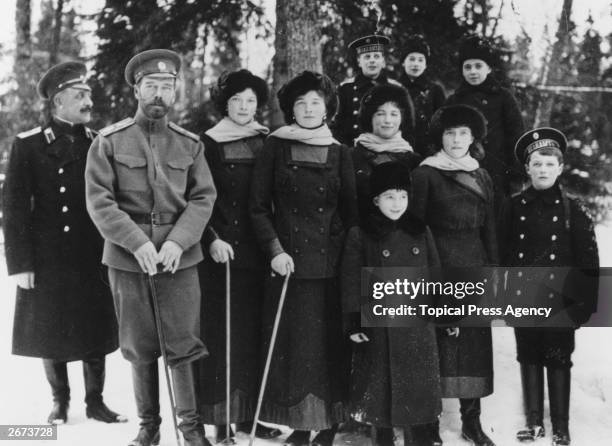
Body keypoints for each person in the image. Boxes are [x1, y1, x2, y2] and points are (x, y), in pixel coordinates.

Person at [85, 49, 217, 446]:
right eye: (151, 86)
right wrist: (136, 243)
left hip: (180, 260)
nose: (158, 93)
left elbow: (203, 198)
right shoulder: (109, 142)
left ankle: (191, 430)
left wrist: (178, 241)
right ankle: (149, 427)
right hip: (128, 260)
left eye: (166, 86)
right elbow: (100, 201)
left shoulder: (189, 145)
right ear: (137, 91)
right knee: (140, 346)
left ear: (175, 91)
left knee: (183, 345)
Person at [2, 61, 125, 426]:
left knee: (95, 328)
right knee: (49, 329)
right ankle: (59, 402)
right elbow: (14, 209)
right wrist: (21, 263)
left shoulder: (99, 142)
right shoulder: (28, 145)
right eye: (80, 95)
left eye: (88, 94)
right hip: (47, 257)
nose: (89, 100)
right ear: (58, 102)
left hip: (91, 255)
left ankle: (96, 402)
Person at [249, 70, 358, 446]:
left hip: (329, 267)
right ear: (290, 109)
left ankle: (327, 424)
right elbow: (258, 208)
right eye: (301, 103)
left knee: (328, 345)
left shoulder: (340, 151)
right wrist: (275, 250)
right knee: (295, 347)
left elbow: (350, 212)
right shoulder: (275, 146)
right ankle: (298, 424)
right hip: (287, 266)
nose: (309, 109)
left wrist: (340, 253)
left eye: (315, 102)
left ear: (327, 107)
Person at [196, 69, 281, 442]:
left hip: (259, 251)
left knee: (253, 334)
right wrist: (211, 238)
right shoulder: (210, 142)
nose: (244, 107)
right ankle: (221, 421)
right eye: (236, 100)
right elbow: (199, 197)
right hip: (222, 252)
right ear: (225, 104)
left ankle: (250, 416)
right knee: (223, 335)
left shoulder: (267, 140)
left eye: (250, 100)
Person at [500, 128, 599, 446]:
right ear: (527, 168)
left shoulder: (574, 209)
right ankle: (533, 423)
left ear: (560, 168)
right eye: (537, 164)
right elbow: (503, 254)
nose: (543, 170)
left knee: (558, 358)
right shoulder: (514, 206)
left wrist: (585, 304)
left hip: (560, 298)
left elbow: (589, 262)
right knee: (527, 355)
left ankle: (561, 426)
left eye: (549, 164)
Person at [411, 104, 498, 446]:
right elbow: (416, 227)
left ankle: (471, 423)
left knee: (473, 346)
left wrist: (492, 269)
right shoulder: (425, 174)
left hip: (473, 267)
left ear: (473, 137)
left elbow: (489, 227)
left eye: (463, 132)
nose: (456, 139)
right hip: (438, 265)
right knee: (435, 347)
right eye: (450, 133)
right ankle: (429, 425)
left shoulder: (482, 175)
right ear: (440, 137)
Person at [341, 162, 442, 446]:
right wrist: (353, 321)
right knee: (380, 393)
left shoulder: (420, 230)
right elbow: (350, 282)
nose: (397, 204)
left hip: (417, 323)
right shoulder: (362, 234)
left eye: (402, 196)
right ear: (376, 200)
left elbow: (435, 273)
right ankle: (382, 439)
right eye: (389, 197)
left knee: (418, 391)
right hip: (379, 326)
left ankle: (418, 439)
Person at [445, 35, 524, 209]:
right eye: (467, 67)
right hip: (461, 176)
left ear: (488, 68)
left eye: (478, 66)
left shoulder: (504, 98)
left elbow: (517, 137)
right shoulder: (454, 100)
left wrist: (516, 178)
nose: (473, 71)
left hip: (497, 177)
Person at [352, 83, 420, 222]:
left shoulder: (414, 160)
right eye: (380, 113)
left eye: (394, 114)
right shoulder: (352, 156)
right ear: (369, 117)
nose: (387, 120)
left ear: (402, 118)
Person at [333, 33, 402, 146]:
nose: (372, 61)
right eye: (367, 57)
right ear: (359, 61)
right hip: (353, 152)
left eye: (376, 56)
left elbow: (405, 125)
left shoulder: (396, 89)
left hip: (388, 150)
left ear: (383, 61)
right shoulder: (345, 89)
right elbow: (337, 127)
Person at [398, 34, 446, 156]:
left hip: (427, 150)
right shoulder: (394, 88)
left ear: (425, 64)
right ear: (403, 62)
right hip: (398, 147)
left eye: (420, 60)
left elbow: (442, 122)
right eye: (411, 59)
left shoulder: (435, 90)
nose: (416, 64)